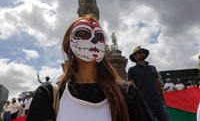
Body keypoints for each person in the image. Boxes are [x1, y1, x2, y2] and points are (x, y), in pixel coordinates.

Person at [25, 15, 153, 121]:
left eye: (99, 37)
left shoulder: (127, 92)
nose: (94, 40)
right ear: (68, 45)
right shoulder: (48, 94)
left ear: (104, 46)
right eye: (83, 34)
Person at [128, 46, 171, 121]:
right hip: (145, 104)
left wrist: (163, 100)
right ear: (134, 56)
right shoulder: (132, 70)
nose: (141, 54)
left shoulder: (152, 68)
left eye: (142, 52)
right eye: (139, 53)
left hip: (159, 102)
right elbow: (131, 88)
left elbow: (158, 84)